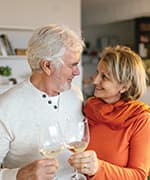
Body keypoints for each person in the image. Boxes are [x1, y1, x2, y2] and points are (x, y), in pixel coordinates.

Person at [0, 24, 86, 180]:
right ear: (47, 66)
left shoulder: (75, 94)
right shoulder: (5, 107)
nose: (77, 71)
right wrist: (18, 175)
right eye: (73, 64)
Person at [69, 45, 150, 179]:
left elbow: (139, 175)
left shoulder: (140, 119)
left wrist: (98, 168)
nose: (95, 81)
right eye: (97, 73)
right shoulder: (88, 108)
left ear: (124, 86)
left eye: (104, 77)